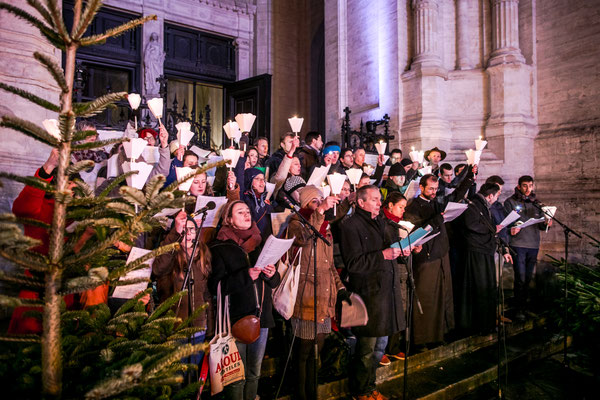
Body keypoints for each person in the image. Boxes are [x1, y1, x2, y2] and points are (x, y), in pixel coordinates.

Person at [209, 200, 280, 400]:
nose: (247, 214)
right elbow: (216, 286)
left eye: (248, 211)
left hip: (262, 317)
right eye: (240, 212)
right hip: (236, 319)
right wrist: (245, 276)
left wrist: (272, 273)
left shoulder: (261, 243)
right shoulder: (219, 247)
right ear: (229, 219)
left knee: (254, 373)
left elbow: (274, 283)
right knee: (236, 376)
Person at [340, 185, 405, 400]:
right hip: (367, 294)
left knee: (380, 346)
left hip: (385, 291)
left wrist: (404, 249)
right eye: (375, 199)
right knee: (366, 349)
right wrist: (383, 255)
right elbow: (354, 263)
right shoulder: (350, 225)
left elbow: (389, 248)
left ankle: (370, 385)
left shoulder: (380, 221)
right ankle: (361, 391)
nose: (380, 203)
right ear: (361, 202)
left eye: (380, 199)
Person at [286, 185, 348, 400]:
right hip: (306, 297)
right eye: (315, 201)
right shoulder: (296, 223)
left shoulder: (325, 228)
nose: (319, 204)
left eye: (321, 201)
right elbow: (303, 239)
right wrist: (320, 211)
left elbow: (329, 264)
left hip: (324, 298)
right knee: (303, 351)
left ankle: (313, 394)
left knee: (317, 352)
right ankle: (300, 394)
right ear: (305, 204)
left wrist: (340, 288)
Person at [152, 211, 213, 368]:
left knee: (193, 373)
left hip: (199, 327)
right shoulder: (170, 253)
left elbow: (206, 293)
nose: (188, 232)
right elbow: (158, 269)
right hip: (176, 327)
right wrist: (175, 234)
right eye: (184, 229)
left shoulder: (203, 254)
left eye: (192, 229)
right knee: (177, 374)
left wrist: (210, 327)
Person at [403, 174, 454, 348]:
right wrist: (436, 219)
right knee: (426, 299)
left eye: (436, 188)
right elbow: (418, 231)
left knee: (442, 295)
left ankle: (439, 334)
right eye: (430, 188)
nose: (434, 192)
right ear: (421, 188)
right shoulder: (413, 207)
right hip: (426, 258)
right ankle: (423, 339)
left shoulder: (435, 203)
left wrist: (470, 175)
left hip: (441, 254)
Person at [455, 183, 511, 335]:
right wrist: (492, 229)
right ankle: (477, 325)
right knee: (478, 287)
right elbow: (471, 224)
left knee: (486, 287)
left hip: (484, 250)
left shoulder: (483, 205)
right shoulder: (473, 204)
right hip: (476, 251)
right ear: (490, 195)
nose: (496, 199)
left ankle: (486, 323)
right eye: (497, 196)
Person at [503, 175, 551, 320]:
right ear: (518, 186)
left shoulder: (537, 203)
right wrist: (511, 228)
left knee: (528, 277)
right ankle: (518, 309)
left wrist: (546, 223)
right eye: (525, 186)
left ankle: (524, 307)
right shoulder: (510, 202)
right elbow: (504, 224)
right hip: (518, 244)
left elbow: (541, 226)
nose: (528, 189)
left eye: (530, 185)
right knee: (520, 277)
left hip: (533, 245)